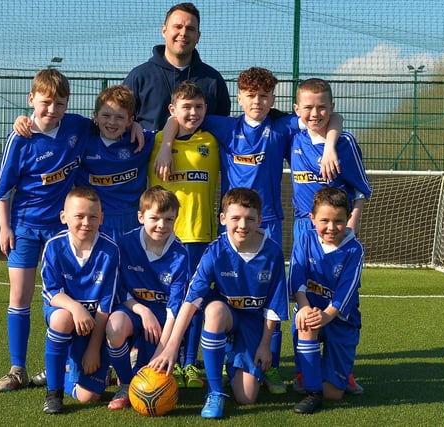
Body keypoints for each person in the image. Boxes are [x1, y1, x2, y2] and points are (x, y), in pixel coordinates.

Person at [156, 67, 343, 394]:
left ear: (273, 99)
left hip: (268, 223)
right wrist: (165, 144)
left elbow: (333, 118)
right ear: (239, 98)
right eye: (251, 95)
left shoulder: (282, 127)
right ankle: (231, 358)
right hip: (230, 227)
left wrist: (330, 146)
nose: (258, 101)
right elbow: (179, 116)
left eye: (265, 96)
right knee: (226, 293)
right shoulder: (223, 126)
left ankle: (270, 365)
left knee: (270, 294)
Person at [149, 187, 289, 419]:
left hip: (254, 323)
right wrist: (172, 345)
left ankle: (233, 361)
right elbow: (191, 300)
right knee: (213, 310)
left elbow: (274, 307)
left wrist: (265, 345)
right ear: (223, 219)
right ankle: (214, 392)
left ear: (260, 220)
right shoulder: (215, 251)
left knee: (247, 397)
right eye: (235, 218)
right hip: (227, 317)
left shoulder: (272, 252)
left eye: (249, 219)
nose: (242, 225)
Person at [0, 69, 90, 392]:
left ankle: (60, 365)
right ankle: (17, 369)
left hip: (61, 232)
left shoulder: (77, 127)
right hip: (24, 228)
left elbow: (108, 123)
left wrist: (131, 124)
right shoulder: (20, 138)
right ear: (31, 99)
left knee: (63, 298)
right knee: (19, 296)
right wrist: (5, 227)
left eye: (59, 104)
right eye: (45, 103)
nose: (52, 110)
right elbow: (3, 191)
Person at [288, 77, 371, 395]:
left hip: (338, 231)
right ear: (297, 109)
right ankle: (303, 370)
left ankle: (341, 370)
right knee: (304, 300)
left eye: (322, 107)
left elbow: (362, 189)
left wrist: (352, 225)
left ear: (332, 108)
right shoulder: (292, 137)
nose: (315, 113)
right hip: (304, 226)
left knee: (341, 296)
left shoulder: (345, 144)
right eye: (308, 107)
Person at [148, 80, 220, 389]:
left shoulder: (213, 142)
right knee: (165, 301)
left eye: (198, 107)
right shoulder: (152, 141)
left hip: (198, 236)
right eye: (185, 107)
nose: (192, 113)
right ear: (172, 110)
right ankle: (162, 356)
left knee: (194, 301)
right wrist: (165, 144)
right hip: (161, 238)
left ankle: (189, 362)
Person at [12, 85, 150, 241]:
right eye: (106, 115)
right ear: (95, 116)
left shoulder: (142, 140)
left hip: (131, 221)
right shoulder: (82, 139)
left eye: (119, 117)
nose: (112, 122)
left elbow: (173, 130)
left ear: (130, 120)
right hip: (93, 222)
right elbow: (51, 124)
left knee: (129, 265)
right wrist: (25, 119)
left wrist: (162, 144)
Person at [105, 185, 189, 410]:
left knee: (155, 375)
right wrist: (143, 310)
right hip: (133, 311)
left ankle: (141, 357)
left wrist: (163, 351)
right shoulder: (124, 244)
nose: (162, 225)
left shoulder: (180, 254)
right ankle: (124, 383)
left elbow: (175, 308)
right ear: (141, 217)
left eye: (169, 220)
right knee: (115, 326)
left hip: (162, 323)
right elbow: (118, 289)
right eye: (155, 218)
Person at [39, 187, 120, 414]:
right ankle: (53, 392)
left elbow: (107, 304)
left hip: (94, 326)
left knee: (90, 396)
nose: (86, 222)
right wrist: (76, 307)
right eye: (79, 216)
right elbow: (51, 293)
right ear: (64, 217)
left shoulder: (110, 250)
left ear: (101, 218)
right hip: (67, 316)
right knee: (62, 318)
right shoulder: (54, 247)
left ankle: (58, 370)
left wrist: (94, 348)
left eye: (93, 216)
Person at [287, 187, 364, 414]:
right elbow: (295, 278)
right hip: (312, 311)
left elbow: (346, 292)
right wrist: (304, 308)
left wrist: (327, 316)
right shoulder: (304, 239)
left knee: (335, 395)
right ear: (312, 218)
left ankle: (339, 373)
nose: (331, 227)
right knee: (306, 320)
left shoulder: (354, 249)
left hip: (340, 319)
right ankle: (312, 390)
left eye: (338, 221)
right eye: (324, 220)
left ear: (348, 218)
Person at [123, 2, 231, 131]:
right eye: (177, 26)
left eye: (190, 29)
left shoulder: (213, 79)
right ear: (164, 31)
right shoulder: (140, 76)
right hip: (150, 151)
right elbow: (119, 119)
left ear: (198, 36)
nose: (183, 33)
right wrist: (133, 125)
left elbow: (222, 126)